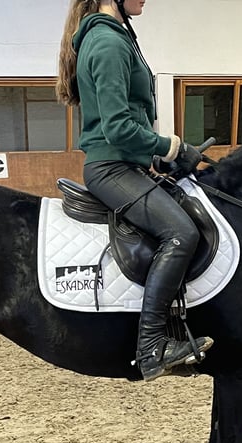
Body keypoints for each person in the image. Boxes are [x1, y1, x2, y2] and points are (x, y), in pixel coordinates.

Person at [57, 0, 213, 381]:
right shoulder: (108, 44)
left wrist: (157, 160)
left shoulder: (116, 38)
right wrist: (171, 146)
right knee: (180, 233)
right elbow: (117, 128)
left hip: (127, 164)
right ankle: (151, 347)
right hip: (110, 168)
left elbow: (129, 125)